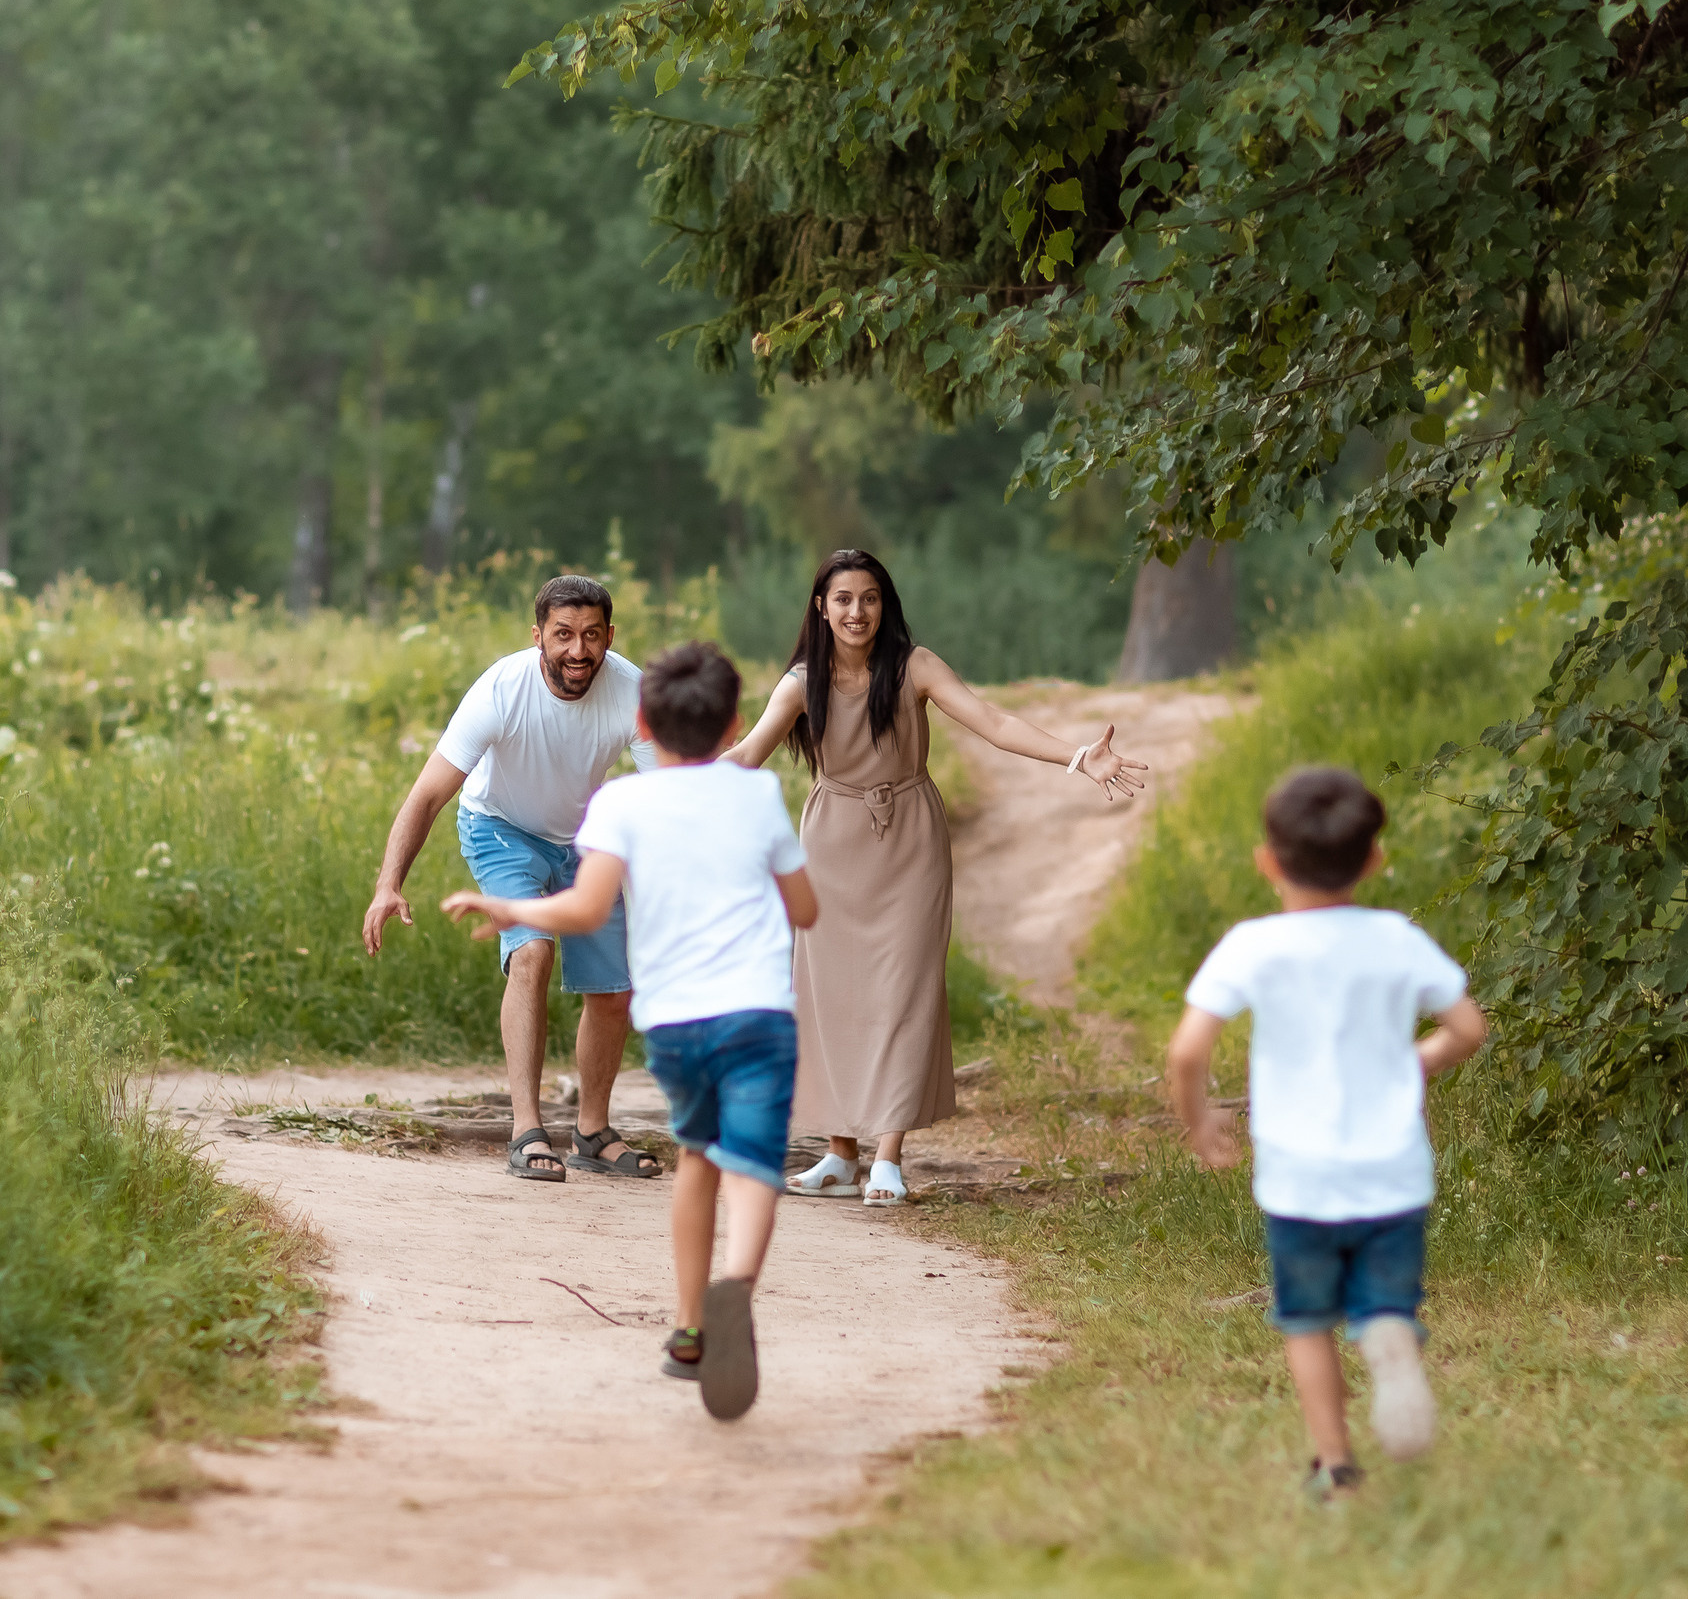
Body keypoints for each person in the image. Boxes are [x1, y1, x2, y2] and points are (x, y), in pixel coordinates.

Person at [442, 641, 817, 1421]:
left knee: (699, 1161)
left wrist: (512, 909)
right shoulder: (755, 798)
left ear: (641, 720)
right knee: (752, 1165)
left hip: (680, 1021)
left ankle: (688, 1326)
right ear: (736, 722)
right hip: (758, 1012)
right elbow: (805, 907)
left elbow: (581, 910)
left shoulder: (618, 804)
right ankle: (736, 1287)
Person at [723, 549, 1147, 1207]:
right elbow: (748, 754)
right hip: (832, 841)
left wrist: (1077, 757)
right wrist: (678, 784)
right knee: (831, 992)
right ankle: (838, 1152)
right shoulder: (799, 683)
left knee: (905, 988)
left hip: (911, 841)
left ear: (883, 603)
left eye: (869, 597)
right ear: (820, 607)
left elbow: (995, 723)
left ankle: (887, 1155)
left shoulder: (914, 666)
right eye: (843, 599)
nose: (857, 611)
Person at [1165, 765, 1491, 1500]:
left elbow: (1188, 1050)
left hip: (1299, 1180)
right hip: (1394, 1174)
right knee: (1383, 1302)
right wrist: (1421, 1059)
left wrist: (1200, 1120)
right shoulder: (1395, 937)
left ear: (1267, 862)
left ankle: (1336, 1465)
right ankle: (1388, 1333)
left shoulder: (1253, 946)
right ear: (1374, 860)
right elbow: (1468, 1027)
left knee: (1307, 1321)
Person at [362, 573, 663, 1184]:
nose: (577, 651)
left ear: (610, 635)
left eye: (591, 636)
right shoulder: (501, 689)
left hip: (585, 837)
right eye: (562, 636)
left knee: (614, 988)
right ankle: (527, 1126)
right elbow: (426, 796)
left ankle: (592, 1132)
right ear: (538, 637)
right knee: (531, 953)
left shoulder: (633, 692)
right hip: (499, 827)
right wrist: (388, 884)